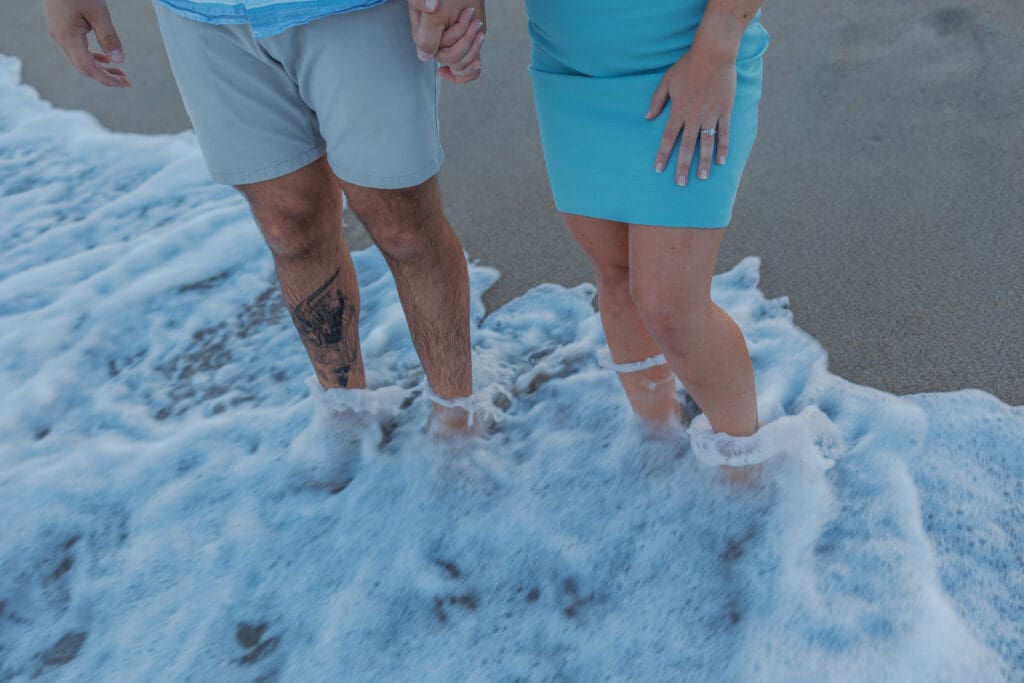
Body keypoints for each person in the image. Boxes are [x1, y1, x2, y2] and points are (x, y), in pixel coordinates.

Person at [43, 0, 488, 434]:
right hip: (200, 15)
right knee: (289, 230)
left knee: (403, 227)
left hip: (354, 8)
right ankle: (345, 412)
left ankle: (456, 419)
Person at [414, 0, 770, 468]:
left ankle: (748, 485)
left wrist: (718, 47)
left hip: (688, 47)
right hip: (568, 65)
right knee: (616, 275)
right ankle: (656, 442)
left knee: (671, 305)